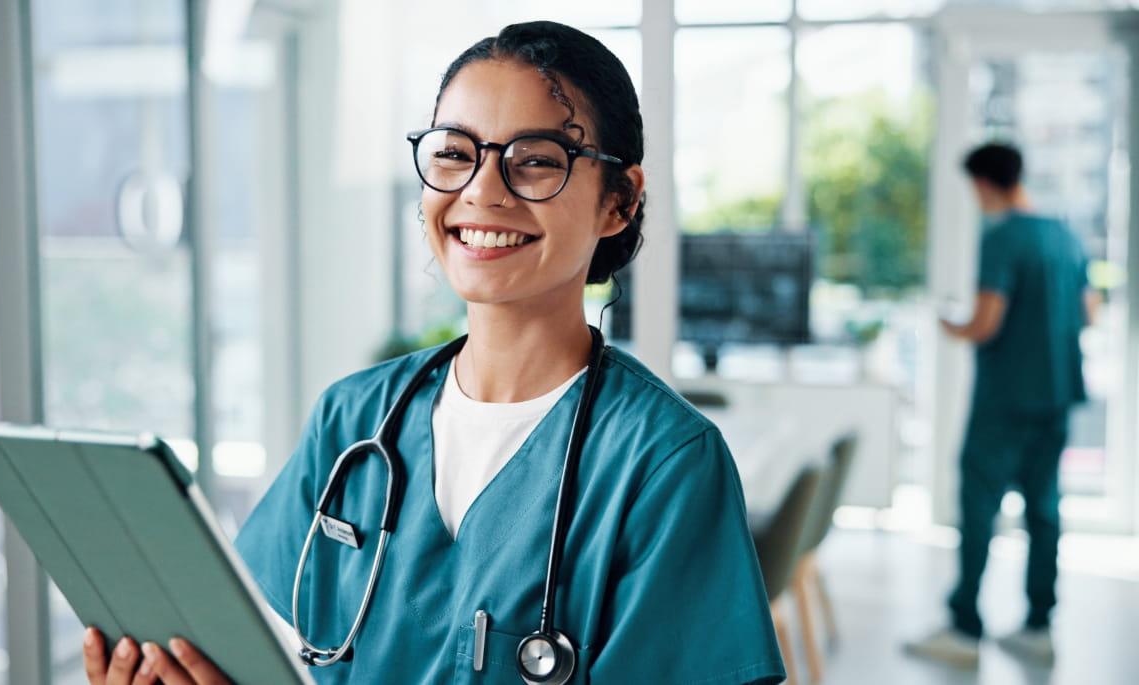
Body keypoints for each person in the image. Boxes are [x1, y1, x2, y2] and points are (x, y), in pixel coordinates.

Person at [83, 20, 785, 685]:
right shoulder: (353, 417)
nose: (482, 192)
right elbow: (254, 641)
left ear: (619, 201)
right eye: (454, 153)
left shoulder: (663, 463)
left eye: (535, 161)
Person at [907, 142, 1096, 668]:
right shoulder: (1064, 235)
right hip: (1056, 395)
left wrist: (952, 324)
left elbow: (986, 322)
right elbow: (1090, 313)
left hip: (1006, 400)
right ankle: (1039, 626)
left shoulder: (1002, 238)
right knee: (1044, 510)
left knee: (979, 507)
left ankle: (965, 629)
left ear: (984, 184)